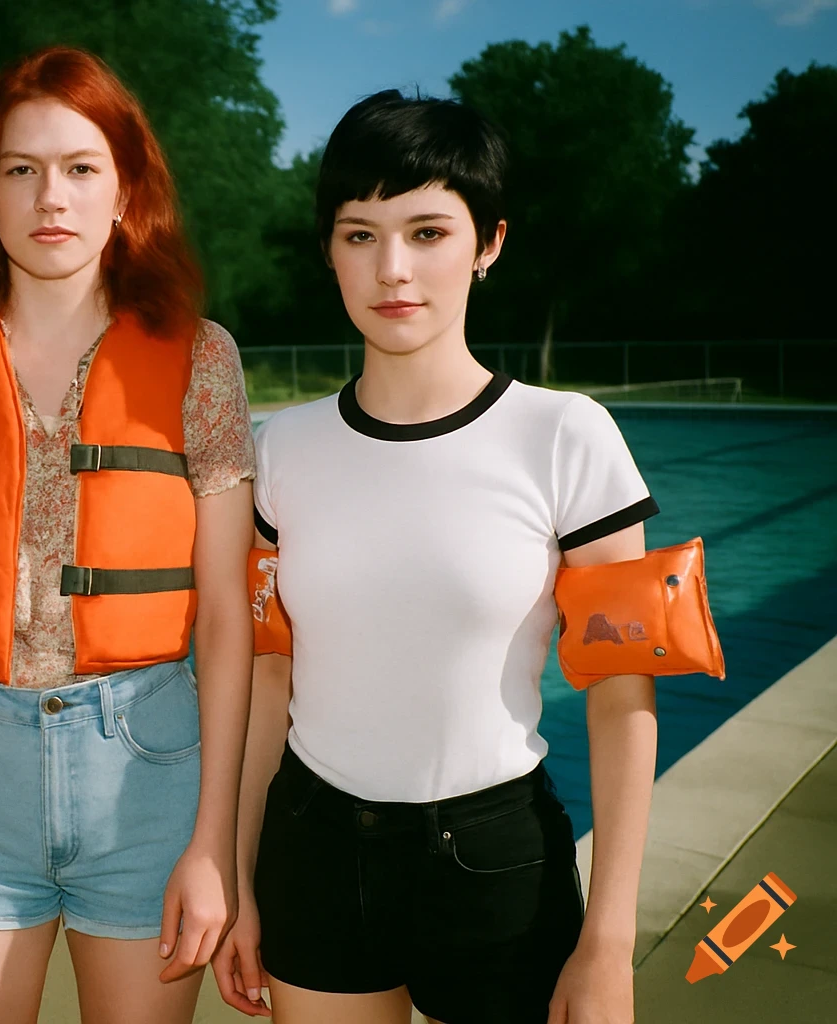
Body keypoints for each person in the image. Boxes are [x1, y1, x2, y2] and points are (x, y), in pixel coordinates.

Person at [213, 91, 660, 1024]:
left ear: (488, 243)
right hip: (314, 850)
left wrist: (609, 940)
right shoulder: (282, 450)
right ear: (328, 248)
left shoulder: (567, 436)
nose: (393, 269)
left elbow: (622, 696)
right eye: (359, 234)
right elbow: (267, 677)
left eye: (426, 231)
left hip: (499, 864)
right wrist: (241, 877)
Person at [0, 46, 256, 1024]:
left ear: (127, 192)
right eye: (20, 170)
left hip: (152, 771)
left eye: (80, 168)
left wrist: (215, 845)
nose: (50, 197)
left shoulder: (203, 360)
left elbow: (230, 624)